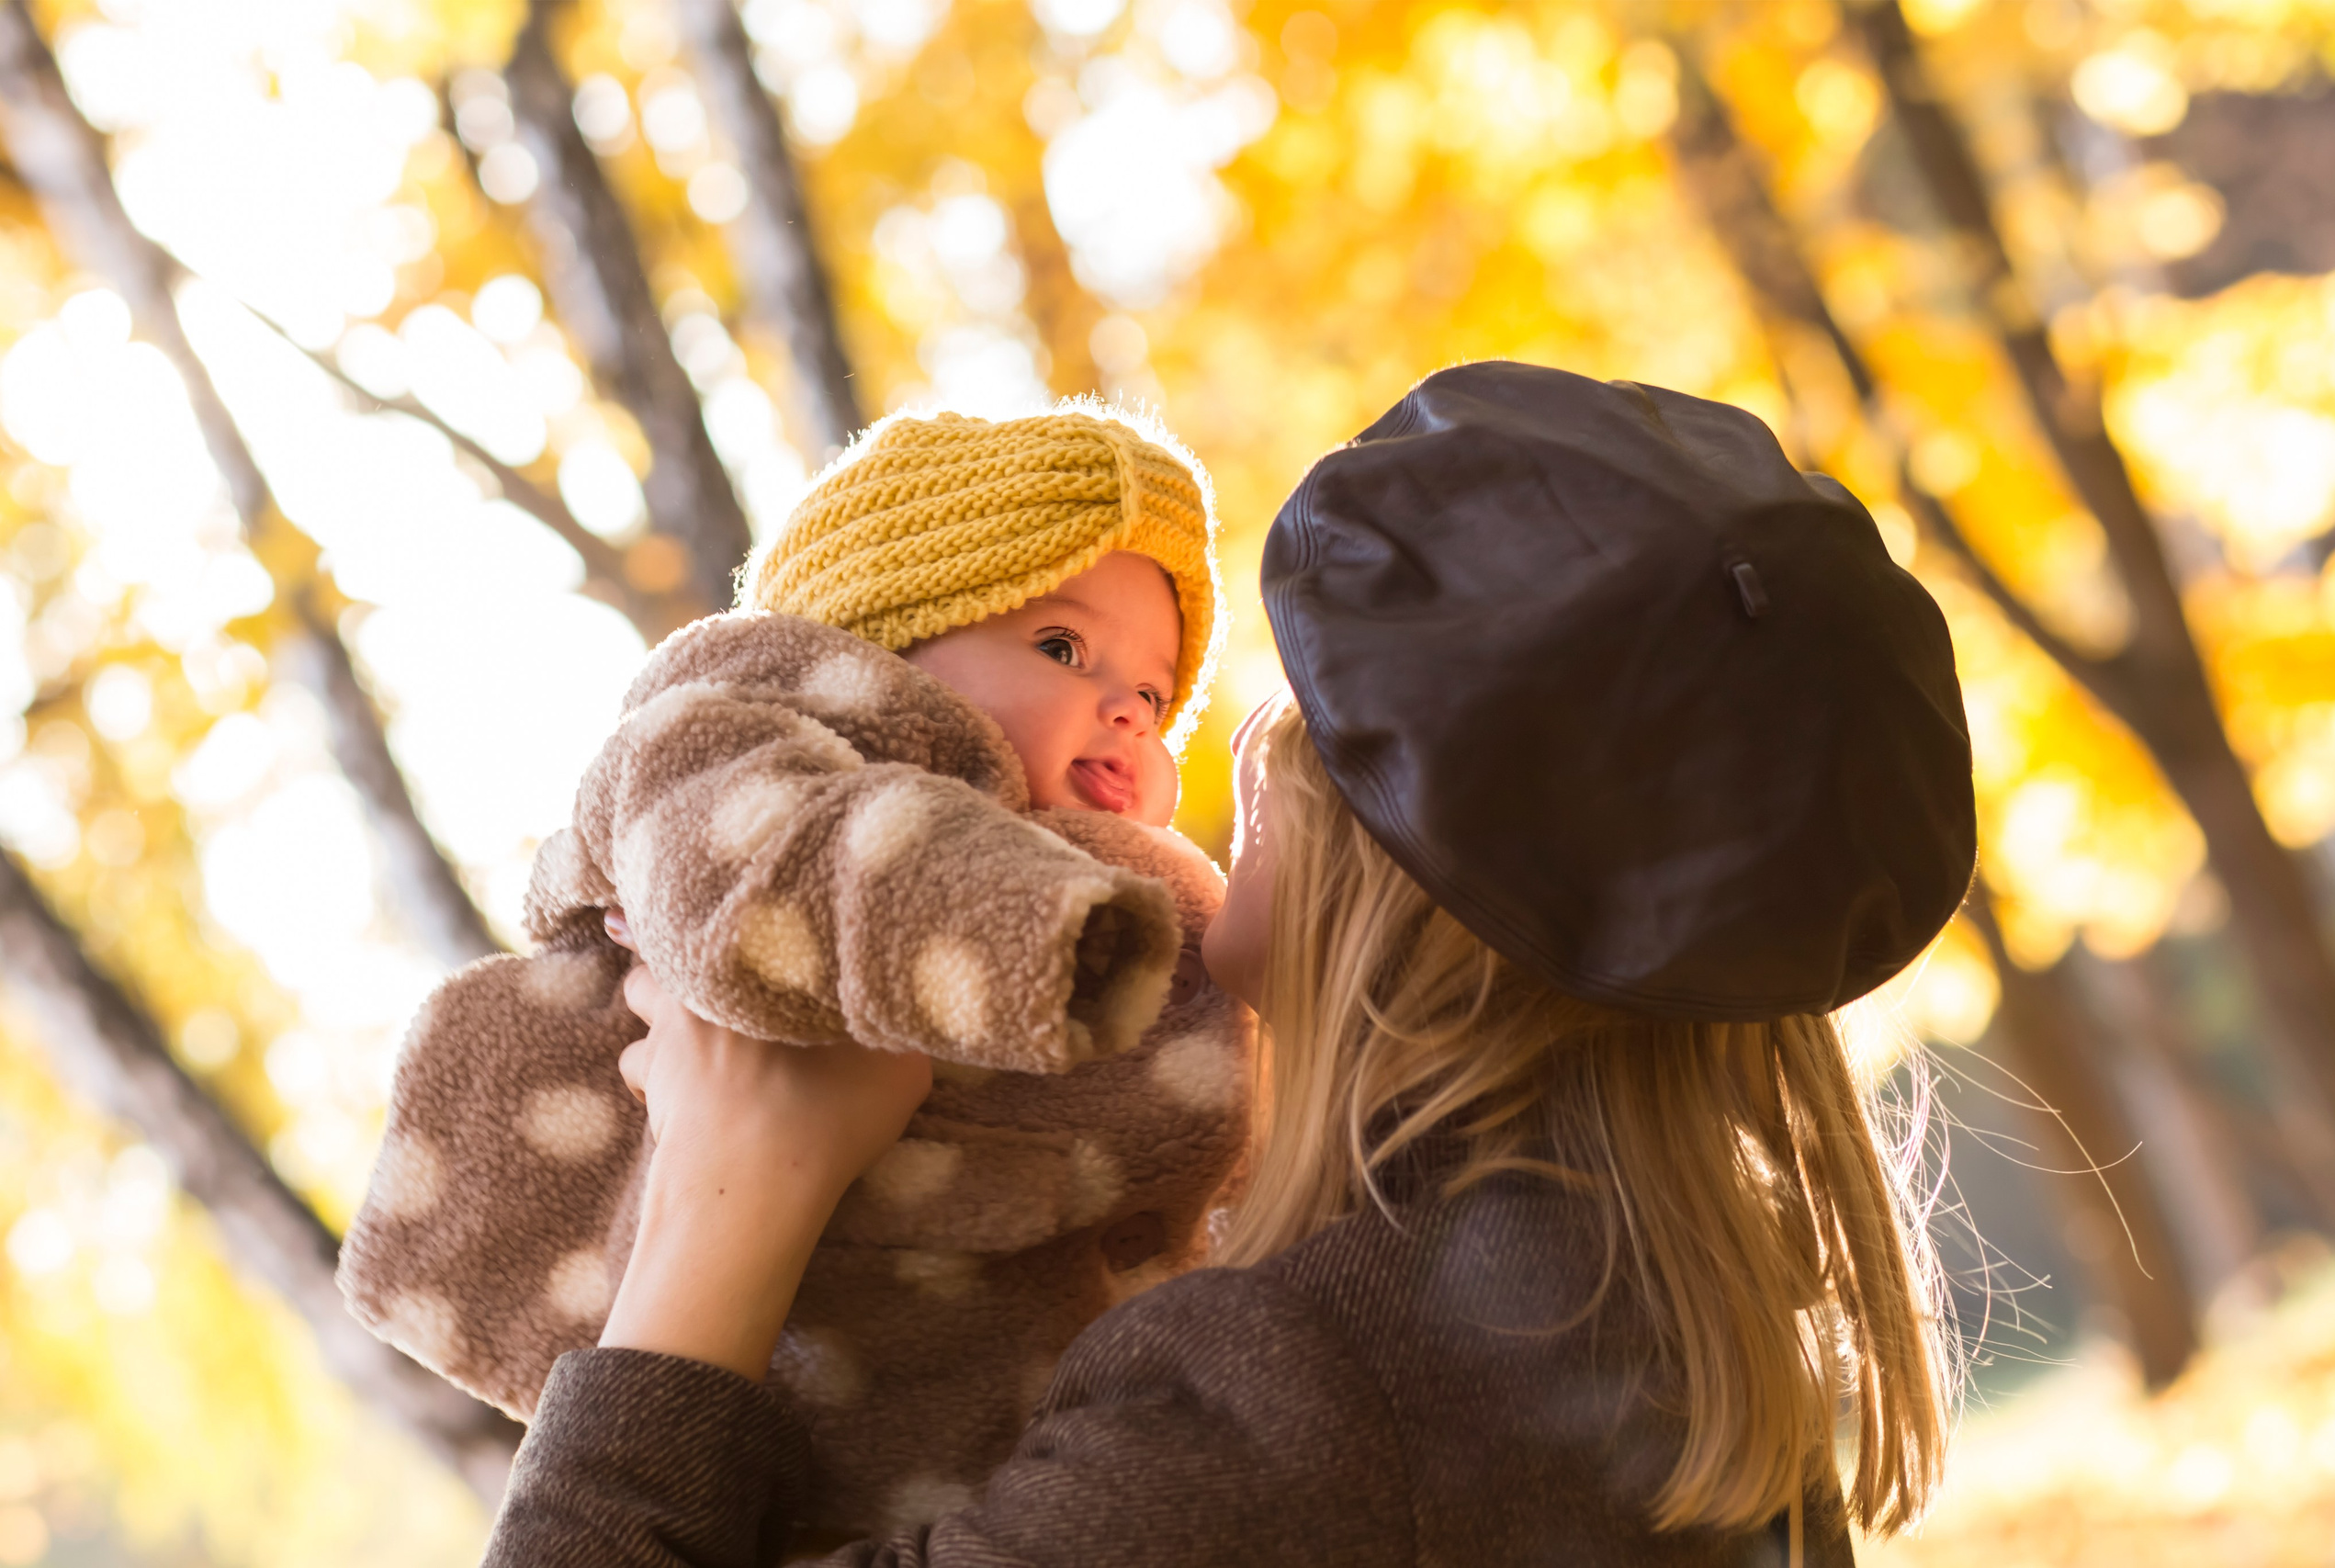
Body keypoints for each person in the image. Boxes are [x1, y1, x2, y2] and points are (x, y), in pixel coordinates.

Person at [479, 363, 1976, 1567]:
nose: (1246, 729)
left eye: (1332, 701)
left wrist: (728, 1199)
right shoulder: (1625, 1327)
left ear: (1434, 866)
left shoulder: (1304, 1407)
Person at [339, 406, 1255, 1538]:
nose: (1127, 712)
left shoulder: (1151, 897)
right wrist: (1032, 936)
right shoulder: (748, 742)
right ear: (882, 650)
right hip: (764, 1334)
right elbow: (762, 863)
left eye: (1155, 699)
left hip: (1003, 1397)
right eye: (1061, 649)